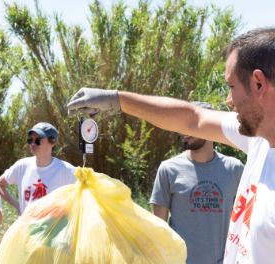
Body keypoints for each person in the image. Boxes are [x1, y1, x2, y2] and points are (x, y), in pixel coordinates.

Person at [67, 28, 275, 263]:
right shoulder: (258, 138)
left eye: (231, 86)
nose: (228, 100)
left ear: (258, 83)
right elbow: (193, 118)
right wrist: (114, 99)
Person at [150, 101, 244, 264]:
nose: (183, 131)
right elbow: (158, 231)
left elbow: (247, 221)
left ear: (210, 127)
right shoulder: (169, 169)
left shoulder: (234, 169)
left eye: (191, 125)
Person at [0, 122, 76, 216]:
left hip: (54, 229)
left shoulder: (66, 170)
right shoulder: (22, 166)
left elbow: (86, 195)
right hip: (26, 229)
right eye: (30, 140)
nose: (33, 144)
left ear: (52, 142)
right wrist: (17, 206)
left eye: (38, 140)